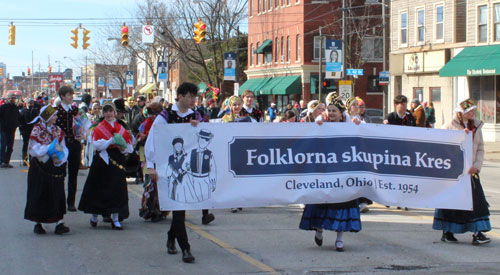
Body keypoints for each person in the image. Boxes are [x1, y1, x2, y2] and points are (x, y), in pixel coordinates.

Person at [145, 82, 202, 263]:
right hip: (169, 166)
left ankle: (171, 237)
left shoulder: (196, 115)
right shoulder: (166, 115)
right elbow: (153, 138)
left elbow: (204, 136)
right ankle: (185, 247)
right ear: (181, 96)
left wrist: (198, 127)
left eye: (195, 96)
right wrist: (150, 164)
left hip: (189, 166)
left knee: (180, 207)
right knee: (178, 207)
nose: (193, 100)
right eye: (190, 96)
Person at [299, 94, 361, 252]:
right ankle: (319, 230)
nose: (332, 113)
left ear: (341, 114)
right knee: (322, 201)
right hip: (325, 171)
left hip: (343, 171)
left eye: (334, 111)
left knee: (343, 202)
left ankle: (339, 239)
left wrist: (357, 123)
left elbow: (361, 132)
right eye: (330, 110)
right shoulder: (322, 124)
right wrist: (318, 122)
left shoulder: (349, 125)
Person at [432, 99, 491, 245]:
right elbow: (442, 148)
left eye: (473, 110)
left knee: (476, 203)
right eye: (469, 111)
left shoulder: (476, 126)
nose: (473, 113)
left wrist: (476, 166)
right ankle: (448, 231)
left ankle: (478, 233)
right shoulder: (448, 126)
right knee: (452, 203)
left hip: (471, 173)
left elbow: (480, 148)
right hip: (454, 173)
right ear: (461, 112)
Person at [78, 102, 133, 230]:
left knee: (116, 190)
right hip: (103, 160)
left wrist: (122, 147)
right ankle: (94, 216)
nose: (109, 114)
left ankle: (115, 218)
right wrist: (110, 141)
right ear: (103, 113)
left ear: (114, 113)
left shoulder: (121, 128)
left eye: (111, 111)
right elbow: (97, 145)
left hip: (117, 160)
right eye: (106, 111)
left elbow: (128, 147)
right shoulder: (99, 127)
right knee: (99, 189)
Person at [24, 105, 70, 235]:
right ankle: (38, 223)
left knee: (57, 193)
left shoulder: (58, 130)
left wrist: (62, 157)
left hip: (55, 166)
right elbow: (33, 149)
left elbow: (63, 146)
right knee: (40, 193)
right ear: (48, 116)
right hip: (40, 167)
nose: (56, 117)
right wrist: (48, 149)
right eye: (54, 115)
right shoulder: (37, 130)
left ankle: (59, 222)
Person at [55, 86, 82, 212]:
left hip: (74, 144)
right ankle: (59, 201)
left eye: (72, 94)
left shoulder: (76, 110)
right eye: (68, 95)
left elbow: (83, 124)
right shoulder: (54, 110)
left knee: (73, 173)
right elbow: (42, 122)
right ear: (62, 96)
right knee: (60, 173)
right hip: (60, 145)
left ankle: (71, 202)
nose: (71, 97)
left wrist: (82, 134)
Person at [0, 93, 20, 168]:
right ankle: (2, 161)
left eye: (14, 98)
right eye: (11, 98)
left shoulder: (15, 108)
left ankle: (7, 161)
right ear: (8, 99)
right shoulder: (3, 107)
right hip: (4, 129)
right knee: (3, 145)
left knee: (10, 146)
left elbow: (18, 117)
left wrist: (18, 124)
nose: (13, 99)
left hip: (12, 130)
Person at [19, 99, 40, 165]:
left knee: (33, 145)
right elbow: (21, 121)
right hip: (25, 130)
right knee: (25, 145)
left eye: (32, 103)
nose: (31, 105)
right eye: (29, 103)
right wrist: (21, 129)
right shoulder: (23, 111)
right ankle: (25, 160)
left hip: (33, 130)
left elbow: (37, 120)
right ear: (26, 104)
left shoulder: (35, 111)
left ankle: (32, 160)